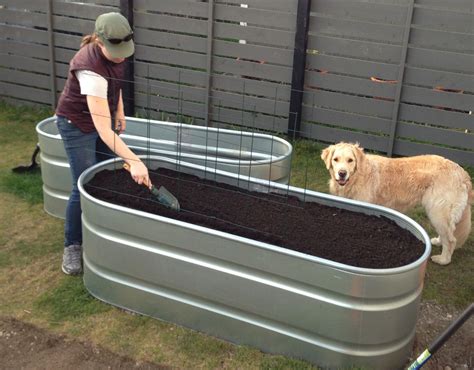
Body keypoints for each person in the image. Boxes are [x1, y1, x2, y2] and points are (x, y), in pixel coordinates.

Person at [55, 12, 150, 275]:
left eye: (124, 51)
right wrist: (134, 160)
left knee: (109, 170)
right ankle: (72, 245)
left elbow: (115, 84)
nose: (122, 57)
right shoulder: (89, 68)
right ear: (99, 42)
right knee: (82, 183)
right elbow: (102, 130)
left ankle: (108, 222)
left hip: (101, 118)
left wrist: (119, 111)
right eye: (116, 51)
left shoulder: (116, 53)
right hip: (76, 125)